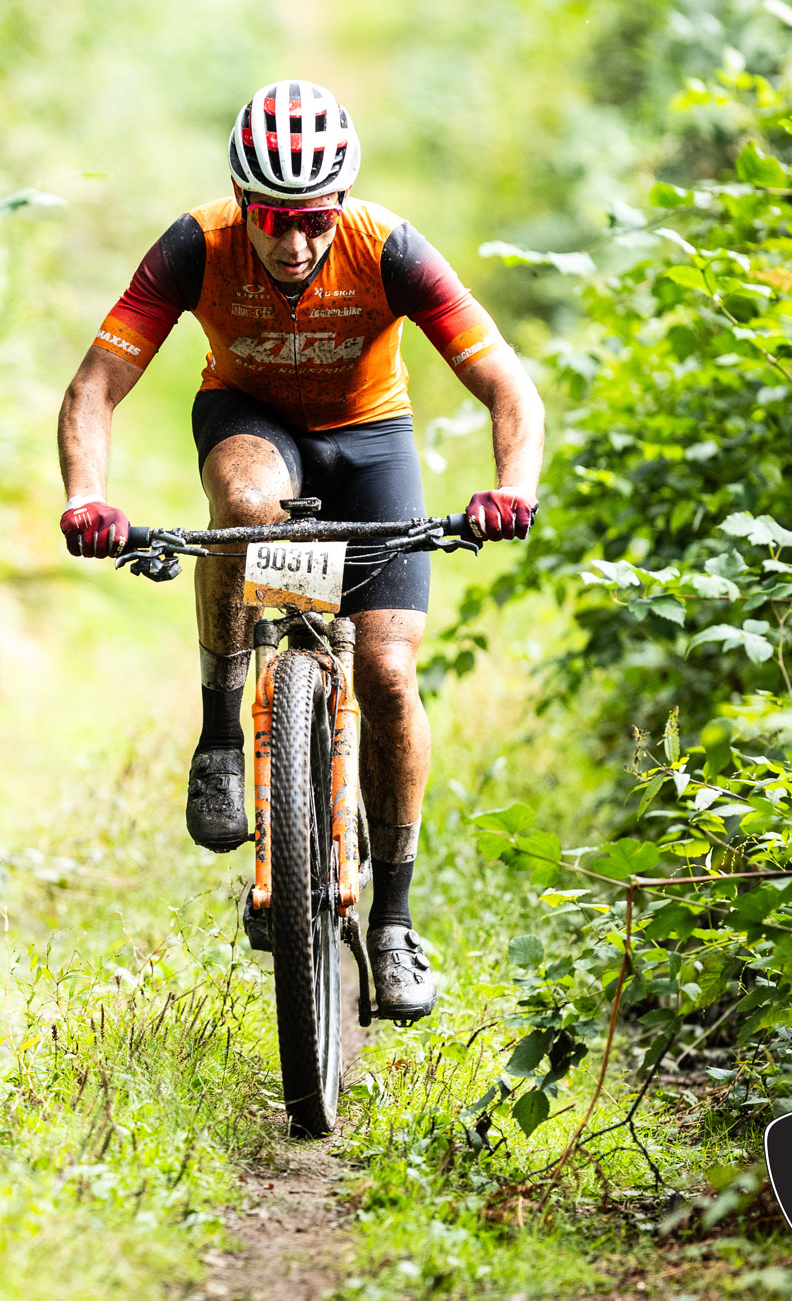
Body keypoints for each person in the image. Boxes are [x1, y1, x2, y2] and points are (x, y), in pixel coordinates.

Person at [53, 79, 543, 1021]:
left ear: (341, 205)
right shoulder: (197, 246)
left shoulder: (389, 249)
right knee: (245, 507)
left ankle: (394, 922)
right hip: (249, 420)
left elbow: (508, 386)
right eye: (275, 220)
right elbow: (94, 387)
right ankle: (220, 732)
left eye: (315, 220)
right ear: (244, 202)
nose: (295, 243)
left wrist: (512, 487)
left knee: (388, 673)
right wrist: (87, 496)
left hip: (370, 440)